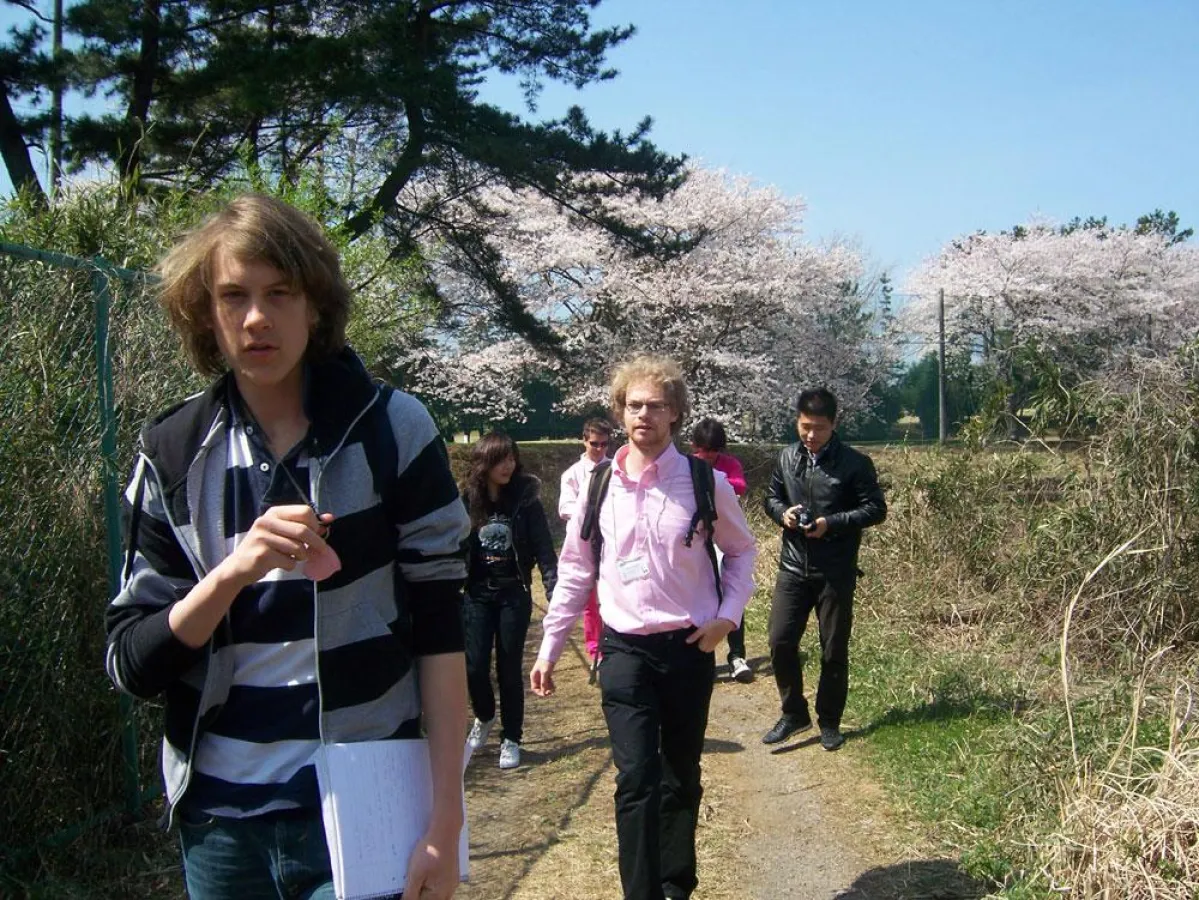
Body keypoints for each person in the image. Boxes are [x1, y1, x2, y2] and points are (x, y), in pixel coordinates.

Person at [104, 194, 469, 900]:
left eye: (279, 293)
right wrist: (233, 572)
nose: (256, 318)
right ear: (203, 314)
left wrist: (445, 818)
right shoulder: (173, 452)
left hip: (362, 812)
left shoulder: (391, 430)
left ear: (316, 305)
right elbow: (132, 664)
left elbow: (440, 637)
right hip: (219, 828)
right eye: (232, 296)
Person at [531, 355, 757, 900]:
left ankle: (677, 885)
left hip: (687, 647)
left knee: (680, 773)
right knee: (635, 778)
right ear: (619, 412)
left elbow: (742, 551)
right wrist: (549, 648)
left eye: (656, 405)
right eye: (634, 405)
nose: (644, 415)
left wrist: (726, 618)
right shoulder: (599, 484)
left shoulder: (704, 480)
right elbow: (578, 568)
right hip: (624, 649)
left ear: (676, 413)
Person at [761, 387, 886, 752]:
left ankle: (829, 720)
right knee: (780, 641)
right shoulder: (786, 457)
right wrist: (781, 513)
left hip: (835, 570)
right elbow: (771, 497)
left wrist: (830, 523)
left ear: (835, 424)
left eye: (819, 428)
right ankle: (793, 712)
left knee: (833, 648)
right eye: (804, 427)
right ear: (796, 421)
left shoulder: (855, 463)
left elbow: (875, 509)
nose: (811, 435)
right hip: (792, 566)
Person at [461, 431, 557, 770]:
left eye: (512, 458)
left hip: (514, 594)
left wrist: (552, 587)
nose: (508, 465)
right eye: (501, 459)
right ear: (484, 462)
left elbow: (544, 548)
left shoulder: (525, 501)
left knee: (508, 668)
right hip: (476, 594)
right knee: (473, 666)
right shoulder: (468, 500)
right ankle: (484, 716)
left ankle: (511, 737)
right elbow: (453, 545)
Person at [688, 417, 751, 683]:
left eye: (715, 450)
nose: (710, 455)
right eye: (705, 450)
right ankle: (701, 655)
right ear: (694, 446)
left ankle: (737, 655)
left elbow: (739, 486)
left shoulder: (728, 465)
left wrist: (714, 481)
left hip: (725, 535)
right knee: (699, 591)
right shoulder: (687, 466)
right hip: (698, 538)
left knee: (731, 591)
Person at [558, 417, 614, 662]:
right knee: (591, 603)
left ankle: (615, 646)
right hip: (587, 542)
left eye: (604, 444)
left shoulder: (616, 469)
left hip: (613, 542)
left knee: (614, 596)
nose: (600, 449)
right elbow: (566, 508)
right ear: (584, 441)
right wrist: (589, 513)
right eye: (594, 444)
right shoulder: (573, 474)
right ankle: (596, 651)